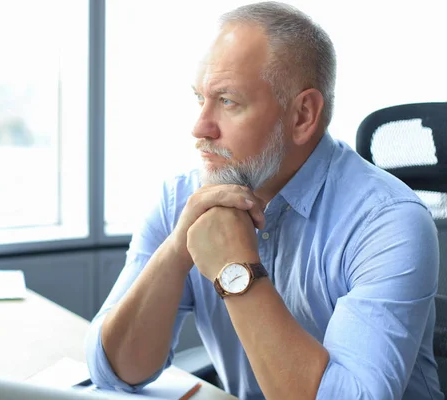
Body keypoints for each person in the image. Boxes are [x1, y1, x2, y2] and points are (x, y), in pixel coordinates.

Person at [85, 2, 443, 399]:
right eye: (199, 98)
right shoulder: (179, 200)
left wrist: (235, 270)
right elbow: (113, 372)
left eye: (227, 101)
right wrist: (175, 251)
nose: (199, 127)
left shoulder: (388, 222)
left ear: (302, 115)